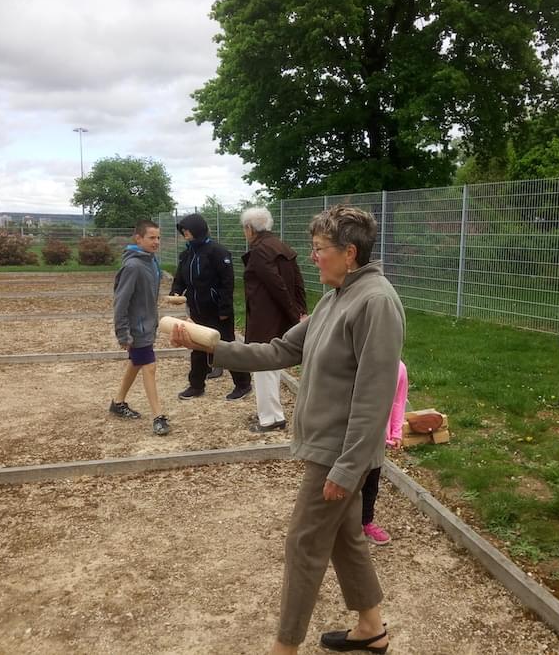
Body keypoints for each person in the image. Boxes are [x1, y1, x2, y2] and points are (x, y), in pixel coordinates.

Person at [171, 206, 403, 654]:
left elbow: (375, 395)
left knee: (303, 543)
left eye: (319, 250)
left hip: (339, 452)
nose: (312, 258)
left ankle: (285, 646)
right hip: (332, 447)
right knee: (345, 537)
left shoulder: (375, 302)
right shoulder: (336, 295)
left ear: (349, 253)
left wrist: (348, 467)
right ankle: (371, 627)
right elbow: (280, 350)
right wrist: (210, 343)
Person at [239, 206, 307, 433]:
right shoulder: (281, 246)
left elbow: (275, 284)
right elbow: (298, 281)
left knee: (263, 365)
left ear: (250, 229)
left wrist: (293, 312)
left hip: (265, 316)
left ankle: (270, 418)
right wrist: (300, 310)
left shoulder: (259, 250)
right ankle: (272, 412)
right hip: (279, 316)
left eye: (244, 228)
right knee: (272, 365)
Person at [170, 213, 252, 401]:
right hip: (197, 310)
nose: (185, 233)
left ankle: (243, 384)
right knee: (197, 347)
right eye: (183, 230)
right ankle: (196, 385)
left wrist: (224, 309)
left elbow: (227, 282)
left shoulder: (218, 252)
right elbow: (180, 279)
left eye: (188, 229)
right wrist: (176, 292)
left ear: (197, 229)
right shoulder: (186, 254)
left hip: (217, 311)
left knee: (227, 347)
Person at [110, 219, 170, 436]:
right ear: (139, 238)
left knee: (136, 364)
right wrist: (123, 334)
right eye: (151, 238)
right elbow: (121, 302)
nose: (156, 242)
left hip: (147, 326)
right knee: (149, 367)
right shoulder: (133, 266)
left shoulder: (151, 262)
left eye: (158, 237)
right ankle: (158, 416)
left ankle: (118, 403)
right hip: (137, 330)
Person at [361, 360, 407, 546]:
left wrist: (396, 432)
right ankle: (337, 524)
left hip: (378, 439)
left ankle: (365, 522)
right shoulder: (360, 363)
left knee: (371, 483)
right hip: (352, 435)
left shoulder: (399, 368)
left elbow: (398, 401)